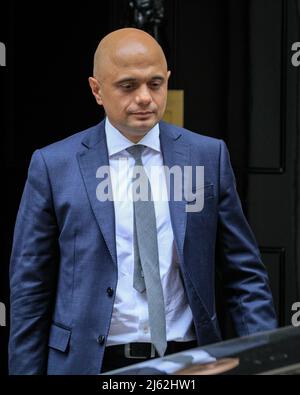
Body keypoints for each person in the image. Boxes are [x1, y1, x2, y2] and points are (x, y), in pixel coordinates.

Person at [9, 28, 277, 375]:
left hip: (190, 363)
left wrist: (265, 364)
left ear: (167, 80)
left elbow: (244, 275)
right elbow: (30, 287)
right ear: (97, 90)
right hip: (89, 364)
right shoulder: (54, 166)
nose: (145, 98)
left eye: (155, 83)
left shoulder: (207, 157)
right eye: (128, 85)